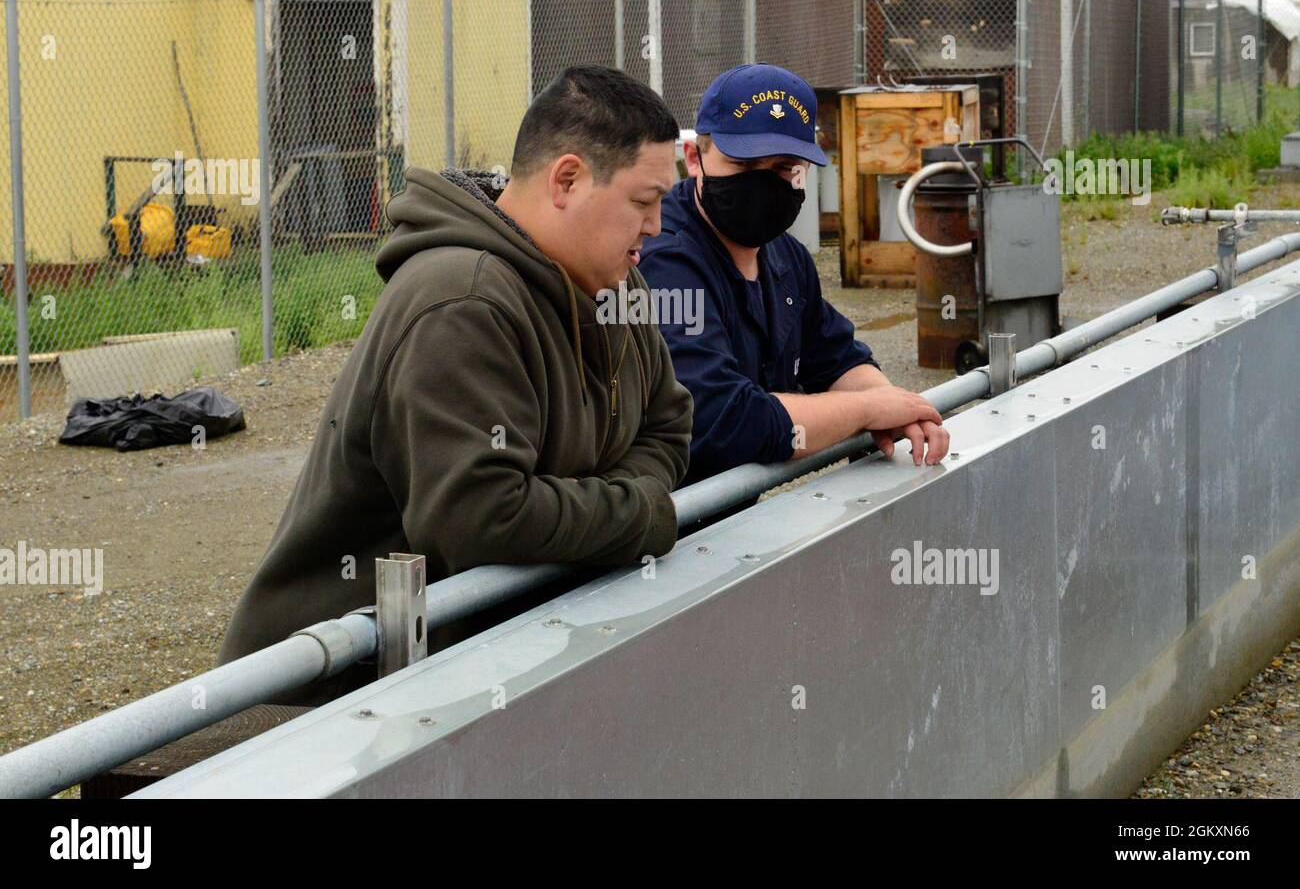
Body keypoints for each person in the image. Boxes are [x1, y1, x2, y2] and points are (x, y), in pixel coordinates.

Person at [218, 66, 692, 704]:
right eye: (643, 201)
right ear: (568, 179)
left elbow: (668, 423)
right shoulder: (460, 300)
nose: (658, 225)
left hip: (471, 660)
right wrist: (641, 514)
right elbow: (482, 518)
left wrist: (595, 503)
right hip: (340, 692)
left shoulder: (613, 285)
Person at [639, 63, 948, 505]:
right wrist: (866, 410)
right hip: (664, 531)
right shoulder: (663, 260)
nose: (765, 184)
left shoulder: (784, 254)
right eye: (744, 163)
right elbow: (724, 421)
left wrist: (900, 409)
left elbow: (835, 358)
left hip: (728, 516)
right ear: (693, 158)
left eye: (784, 168)